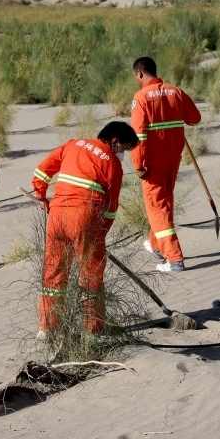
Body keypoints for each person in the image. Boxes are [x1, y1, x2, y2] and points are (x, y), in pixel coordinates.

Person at [31, 121, 139, 338]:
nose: (123, 155)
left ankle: (47, 328)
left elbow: (42, 171)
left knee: (53, 271)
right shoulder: (112, 164)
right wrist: (100, 236)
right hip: (85, 215)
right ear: (115, 141)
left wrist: (40, 195)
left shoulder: (73, 144)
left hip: (57, 214)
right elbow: (110, 208)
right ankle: (93, 329)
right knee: (91, 274)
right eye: (124, 149)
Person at [130, 56, 202, 272]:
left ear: (140, 74)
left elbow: (139, 136)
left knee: (157, 207)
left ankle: (174, 258)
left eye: (136, 77)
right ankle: (155, 244)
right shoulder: (175, 91)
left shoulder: (141, 97)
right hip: (173, 160)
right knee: (163, 203)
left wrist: (138, 164)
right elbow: (195, 118)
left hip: (152, 163)